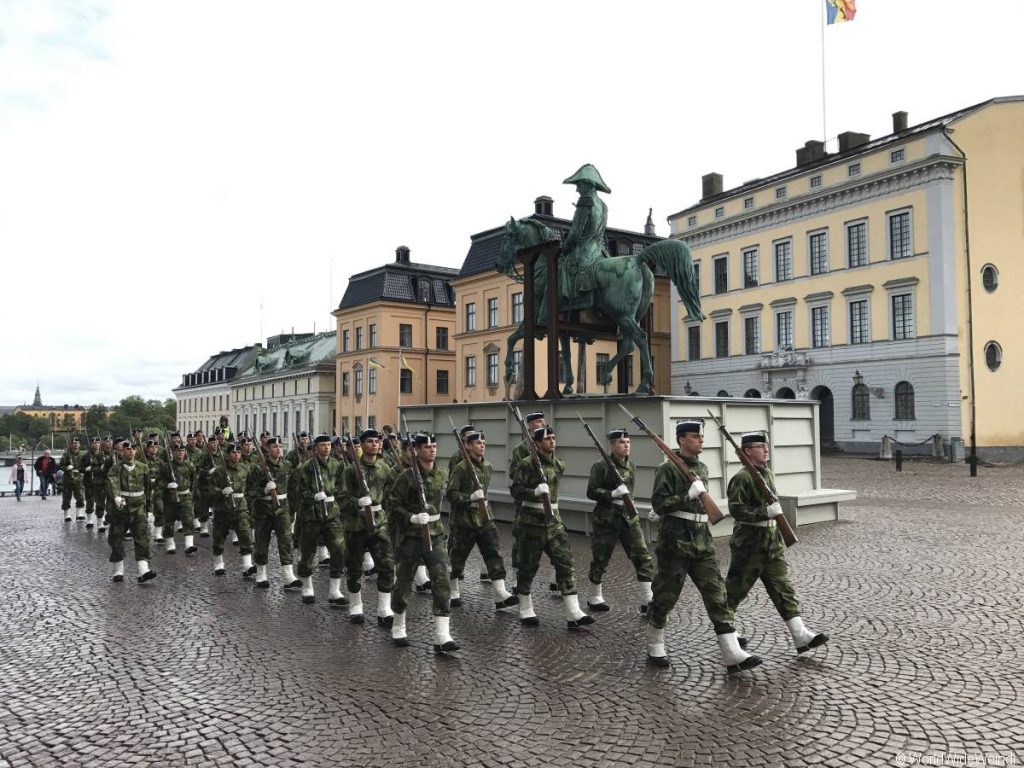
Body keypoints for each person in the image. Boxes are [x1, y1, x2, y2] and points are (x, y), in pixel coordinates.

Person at [646, 420, 759, 672]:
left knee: (717, 596)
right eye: (695, 437)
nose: (701, 441)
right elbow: (659, 505)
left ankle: (731, 652)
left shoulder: (703, 467)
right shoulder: (667, 470)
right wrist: (687, 495)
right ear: (681, 440)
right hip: (675, 543)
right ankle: (655, 642)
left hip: (702, 542)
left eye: (701, 437)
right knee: (665, 596)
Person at [726, 432, 829, 655]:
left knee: (783, 589)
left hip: (772, 543)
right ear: (747, 451)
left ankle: (800, 635)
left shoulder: (767, 473)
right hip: (749, 545)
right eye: (760, 446)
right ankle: (726, 632)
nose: (765, 450)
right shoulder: (742, 478)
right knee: (735, 591)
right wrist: (764, 512)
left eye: (766, 446)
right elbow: (736, 509)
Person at [509, 425, 594, 630]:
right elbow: (515, 490)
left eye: (554, 438)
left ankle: (573, 611)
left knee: (565, 564)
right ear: (536, 444)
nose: (552, 441)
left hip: (554, 521)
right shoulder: (526, 464)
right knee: (528, 566)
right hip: (531, 522)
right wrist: (534, 492)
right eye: (547, 439)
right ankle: (525, 607)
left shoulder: (558, 464)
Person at [386, 432, 458, 653]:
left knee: (442, 579)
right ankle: (398, 624)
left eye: (434, 446)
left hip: (435, 534)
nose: (432, 450)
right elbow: (392, 505)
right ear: (416, 450)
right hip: (411, 536)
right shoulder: (406, 477)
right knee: (404, 581)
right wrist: (411, 517)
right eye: (427, 447)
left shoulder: (442, 474)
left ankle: (441, 634)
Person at [445, 429, 518, 610]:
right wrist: (469, 497)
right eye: (478, 443)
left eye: (484, 443)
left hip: (485, 518)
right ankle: (452, 591)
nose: (482, 446)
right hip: (463, 520)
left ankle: (500, 593)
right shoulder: (460, 468)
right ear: (468, 446)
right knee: (456, 557)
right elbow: (451, 494)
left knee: (493, 553)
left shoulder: (488, 467)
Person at [584, 427, 654, 613]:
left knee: (642, 556)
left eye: (628, 442)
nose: (626, 446)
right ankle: (594, 596)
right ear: (612, 445)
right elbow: (591, 491)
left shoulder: (631, 466)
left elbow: (631, 491)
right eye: (622, 443)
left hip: (628, 518)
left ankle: (648, 599)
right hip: (606, 518)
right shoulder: (601, 466)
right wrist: (611, 494)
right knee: (601, 557)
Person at [337, 428, 396, 626]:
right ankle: (356, 606)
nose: (374, 444)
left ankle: (384, 609)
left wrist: (386, 517)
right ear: (361, 445)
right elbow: (341, 497)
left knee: (387, 566)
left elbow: (391, 496)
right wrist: (357, 502)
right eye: (369, 441)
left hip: (379, 525)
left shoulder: (385, 468)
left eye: (377, 441)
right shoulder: (351, 470)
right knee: (354, 567)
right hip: (356, 526)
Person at [295, 435, 347, 605]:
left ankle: (334, 591)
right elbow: (299, 491)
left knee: (338, 549)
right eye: (322, 445)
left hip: (332, 514)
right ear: (315, 448)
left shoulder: (337, 465)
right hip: (311, 515)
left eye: (328, 445)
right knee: (308, 551)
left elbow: (342, 487)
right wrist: (312, 497)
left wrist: (336, 499)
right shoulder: (306, 467)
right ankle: (307, 587)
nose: (326, 448)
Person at [245, 437, 301, 590]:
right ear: (268, 449)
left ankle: (288, 576)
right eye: (275, 446)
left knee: (286, 541)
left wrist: (292, 509)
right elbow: (249, 491)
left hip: (282, 509)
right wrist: (263, 490)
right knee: (262, 541)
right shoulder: (258, 468)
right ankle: (261, 574)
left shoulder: (287, 465)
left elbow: (293, 488)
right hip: (263, 509)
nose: (278, 449)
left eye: (280, 446)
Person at [106, 439, 157, 583]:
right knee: (116, 539)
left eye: (133, 449)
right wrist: (116, 497)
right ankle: (118, 570)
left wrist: (149, 509)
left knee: (142, 537)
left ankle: (143, 570)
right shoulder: (116, 468)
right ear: (122, 451)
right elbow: (112, 482)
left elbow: (148, 489)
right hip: (121, 509)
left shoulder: (143, 467)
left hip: (139, 508)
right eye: (127, 449)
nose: (131, 451)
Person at [210, 442, 255, 578]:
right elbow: (211, 489)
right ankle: (218, 564)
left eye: (239, 452)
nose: (237, 455)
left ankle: (247, 566)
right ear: (228, 455)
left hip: (241, 506)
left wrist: (249, 502)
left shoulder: (245, 468)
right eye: (233, 452)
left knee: (245, 535)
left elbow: (250, 487)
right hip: (223, 507)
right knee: (219, 537)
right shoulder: (219, 470)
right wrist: (221, 491)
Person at [158, 443, 197, 555]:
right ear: (173, 452)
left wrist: (190, 493)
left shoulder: (189, 465)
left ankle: (189, 545)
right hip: (170, 498)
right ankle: (170, 544)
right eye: (178, 451)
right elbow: (159, 482)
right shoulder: (166, 466)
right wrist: (167, 485)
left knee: (188, 519)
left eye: (182, 451)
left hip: (185, 496)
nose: (180, 453)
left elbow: (193, 481)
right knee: (169, 521)